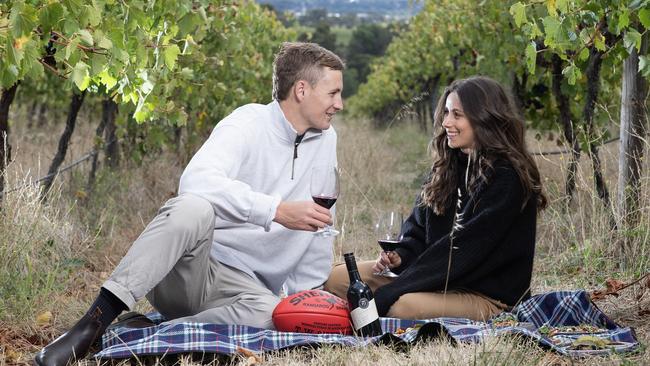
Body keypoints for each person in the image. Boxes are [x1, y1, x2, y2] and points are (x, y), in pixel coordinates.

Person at [35, 42, 345, 366]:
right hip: (192, 270)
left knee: (277, 317)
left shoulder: (326, 139)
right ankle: (92, 325)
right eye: (333, 93)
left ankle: (143, 335)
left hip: (245, 294)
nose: (339, 104)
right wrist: (274, 210)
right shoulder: (247, 124)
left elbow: (320, 224)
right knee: (193, 207)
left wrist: (308, 297)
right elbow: (195, 180)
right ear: (301, 90)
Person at [326, 76, 547, 321]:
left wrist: (395, 289)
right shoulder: (447, 167)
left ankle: (371, 312)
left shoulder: (507, 178)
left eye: (457, 115)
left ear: (485, 118)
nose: (446, 122)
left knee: (402, 306)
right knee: (336, 279)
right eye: (445, 113)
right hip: (435, 279)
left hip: (485, 294)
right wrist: (401, 255)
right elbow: (418, 229)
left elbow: (462, 251)